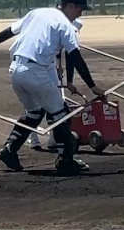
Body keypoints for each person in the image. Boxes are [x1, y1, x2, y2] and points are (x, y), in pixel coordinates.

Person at [0, 0, 105, 176]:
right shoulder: (65, 25)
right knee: (61, 115)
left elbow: (10, 31)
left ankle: (9, 149)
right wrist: (93, 86)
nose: (80, 14)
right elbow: (75, 57)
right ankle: (65, 160)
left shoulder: (37, 13)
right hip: (36, 72)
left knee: (35, 112)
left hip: (16, 70)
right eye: (79, 9)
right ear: (69, 6)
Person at [27, 18, 83, 151]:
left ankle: (53, 139)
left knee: (56, 102)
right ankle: (34, 139)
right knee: (37, 104)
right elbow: (69, 56)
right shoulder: (47, 32)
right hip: (34, 64)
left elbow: (60, 54)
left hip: (48, 64)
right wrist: (68, 80)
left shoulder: (57, 33)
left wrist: (58, 66)